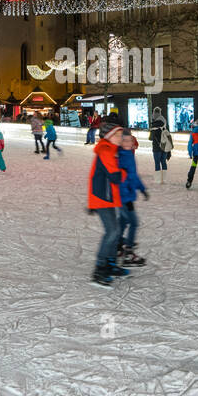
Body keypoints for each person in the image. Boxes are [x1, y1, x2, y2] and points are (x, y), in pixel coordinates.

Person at [87, 120, 127, 287]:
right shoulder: (105, 150)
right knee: (111, 232)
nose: (121, 137)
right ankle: (100, 268)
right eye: (117, 135)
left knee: (115, 231)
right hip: (102, 197)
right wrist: (124, 172)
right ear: (110, 136)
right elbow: (115, 176)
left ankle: (110, 263)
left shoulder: (112, 150)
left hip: (109, 196)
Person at [116, 128, 148, 267]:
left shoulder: (128, 154)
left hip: (127, 195)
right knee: (133, 223)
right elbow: (121, 180)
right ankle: (128, 252)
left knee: (123, 222)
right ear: (120, 142)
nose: (129, 142)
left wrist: (142, 189)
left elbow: (133, 176)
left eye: (130, 139)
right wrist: (125, 198)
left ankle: (117, 245)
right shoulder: (121, 156)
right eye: (125, 140)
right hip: (124, 197)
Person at [148, 106, 172, 183]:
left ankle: (158, 180)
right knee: (163, 162)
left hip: (156, 147)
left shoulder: (153, 125)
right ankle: (164, 179)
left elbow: (151, 138)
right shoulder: (165, 123)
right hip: (164, 146)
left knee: (157, 163)